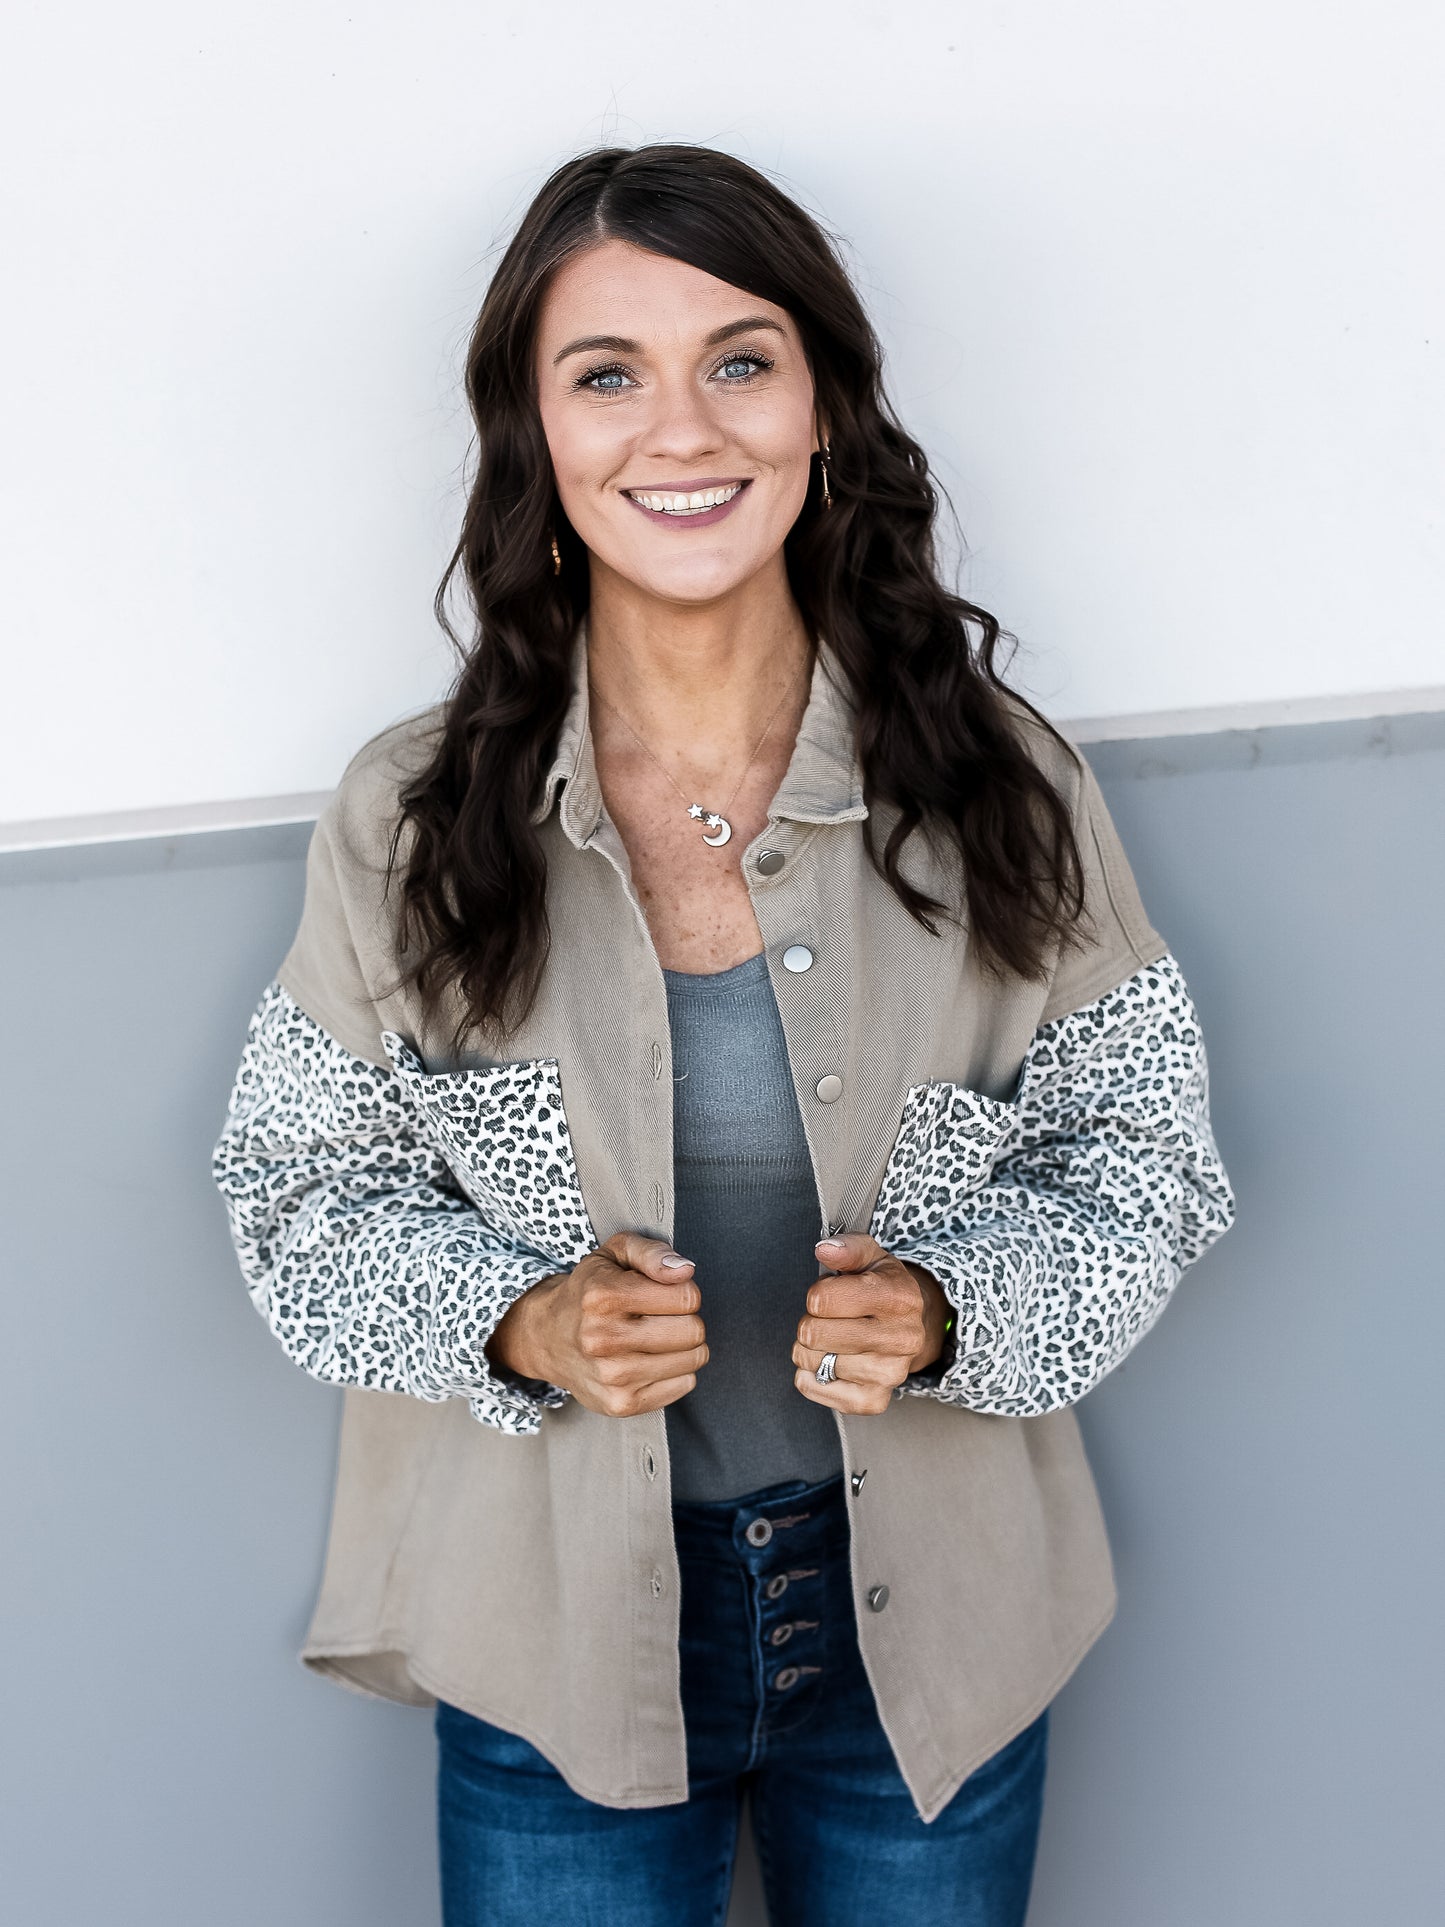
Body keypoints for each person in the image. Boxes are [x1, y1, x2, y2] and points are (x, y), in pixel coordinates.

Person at [212, 143, 1236, 1927]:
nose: (680, 430)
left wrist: (951, 1313)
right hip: (552, 1641)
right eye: (606, 375)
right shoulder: (410, 813)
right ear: (538, 441)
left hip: (939, 1642)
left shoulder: (1000, 782)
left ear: (823, 406)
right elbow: (295, 1194)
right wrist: (516, 1322)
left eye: (739, 360)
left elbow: (1147, 1158)